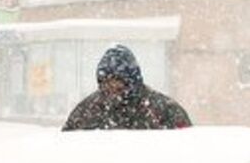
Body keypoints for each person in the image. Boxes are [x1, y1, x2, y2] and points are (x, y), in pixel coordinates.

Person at [63, 45, 193, 131]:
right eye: (105, 81)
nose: (111, 86)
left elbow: (186, 149)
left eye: (117, 80)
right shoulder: (86, 111)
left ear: (131, 79)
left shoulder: (165, 110)